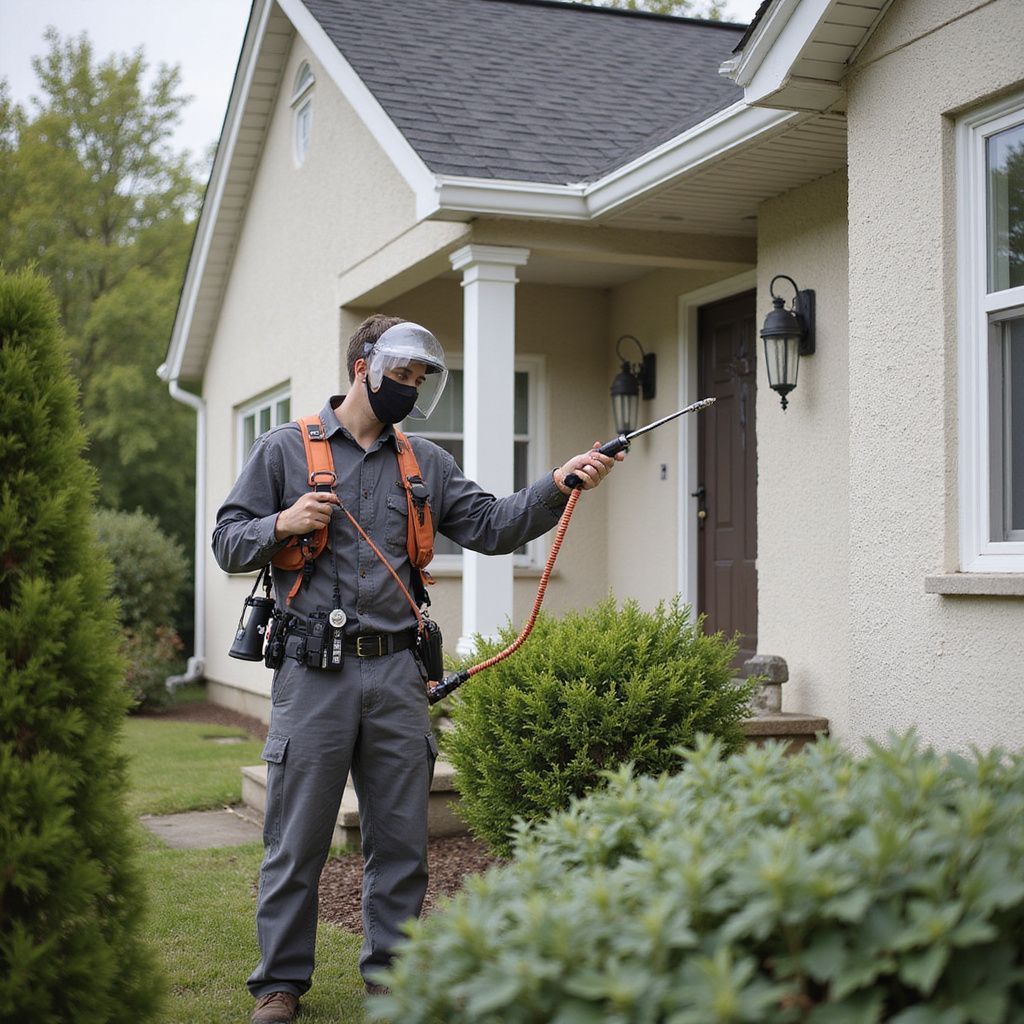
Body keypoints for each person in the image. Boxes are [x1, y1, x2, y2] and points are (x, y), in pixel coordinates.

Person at [212, 314, 620, 1024]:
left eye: (419, 379)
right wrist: (282, 523)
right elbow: (226, 541)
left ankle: (393, 981)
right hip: (313, 675)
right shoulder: (283, 449)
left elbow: (493, 527)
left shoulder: (424, 463)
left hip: (399, 676)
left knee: (400, 843)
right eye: (400, 374)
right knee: (295, 842)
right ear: (361, 365)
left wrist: (558, 484)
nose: (409, 388)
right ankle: (279, 988)